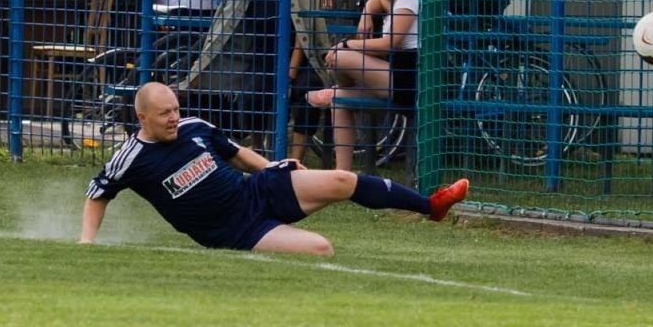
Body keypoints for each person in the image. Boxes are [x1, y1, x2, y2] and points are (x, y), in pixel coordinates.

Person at [81, 82, 468, 256]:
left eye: (176, 109)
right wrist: (87, 241)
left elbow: (236, 153)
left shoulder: (194, 128)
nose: (174, 118)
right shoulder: (129, 157)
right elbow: (98, 192)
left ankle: (430, 206)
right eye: (165, 113)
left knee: (342, 179)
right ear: (142, 116)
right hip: (235, 230)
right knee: (321, 248)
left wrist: (272, 168)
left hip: (256, 191)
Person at [174, 0, 332, 158]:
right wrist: (195, 74)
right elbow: (219, 36)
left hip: (298, 58)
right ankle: (258, 149)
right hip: (260, 58)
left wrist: (290, 72)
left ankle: (296, 161)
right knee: (251, 95)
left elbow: (304, 32)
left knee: (308, 92)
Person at [307, 0, 419, 172]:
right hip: (396, 76)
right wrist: (369, 7)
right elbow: (382, 2)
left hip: (410, 80)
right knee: (339, 100)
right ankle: (343, 174)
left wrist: (349, 43)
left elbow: (390, 43)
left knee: (338, 56)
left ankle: (341, 84)